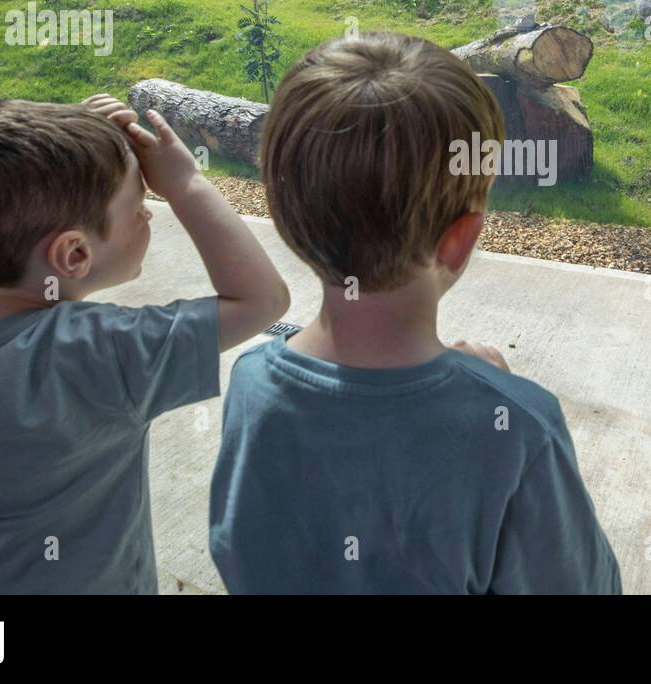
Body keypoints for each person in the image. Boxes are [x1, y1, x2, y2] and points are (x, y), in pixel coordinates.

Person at [210, 32, 621, 594]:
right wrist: (493, 395)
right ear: (460, 241)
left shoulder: (251, 383)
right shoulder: (520, 430)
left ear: (285, 219)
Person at [0, 97, 289, 593]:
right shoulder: (91, 357)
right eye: (139, 208)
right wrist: (185, 182)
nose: (150, 217)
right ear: (74, 254)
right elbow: (262, 300)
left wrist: (75, 144)